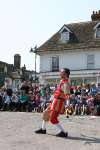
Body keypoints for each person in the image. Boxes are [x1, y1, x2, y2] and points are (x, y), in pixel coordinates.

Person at [35, 68, 70, 137]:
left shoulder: (66, 84)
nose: (60, 73)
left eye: (61, 72)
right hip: (55, 101)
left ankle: (63, 132)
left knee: (53, 118)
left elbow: (67, 96)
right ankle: (43, 129)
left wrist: (68, 105)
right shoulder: (62, 81)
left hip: (59, 103)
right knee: (46, 113)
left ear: (65, 74)